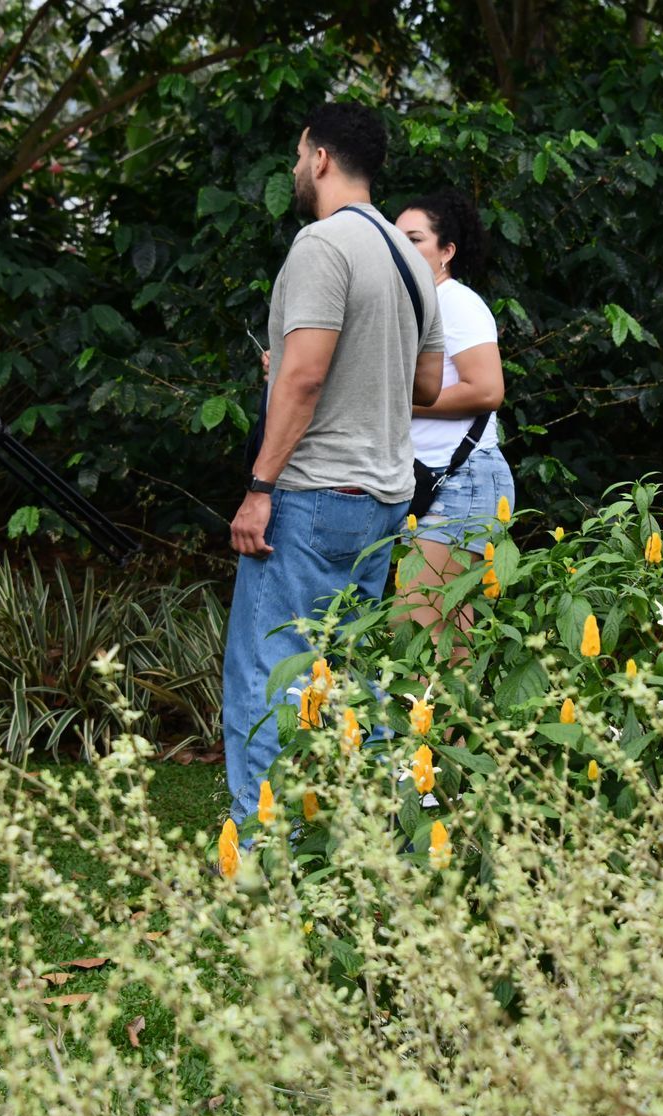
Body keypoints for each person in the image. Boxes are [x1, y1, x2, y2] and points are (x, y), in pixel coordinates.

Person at [224, 103, 444, 823]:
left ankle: (263, 861)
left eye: (297, 154)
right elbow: (427, 386)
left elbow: (306, 377)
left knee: (270, 677)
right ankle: (384, 841)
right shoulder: (412, 260)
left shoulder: (322, 245)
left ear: (320, 157)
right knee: (352, 679)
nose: (294, 168)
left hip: (313, 498)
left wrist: (260, 486)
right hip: (381, 502)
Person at [392, 188, 514, 640]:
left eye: (416, 239)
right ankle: (462, 715)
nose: (403, 250)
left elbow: (487, 389)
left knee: (416, 632)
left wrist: (397, 401)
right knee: (447, 639)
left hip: (460, 482)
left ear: (446, 252)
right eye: (396, 240)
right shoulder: (421, 306)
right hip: (435, 482)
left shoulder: (455, 302)